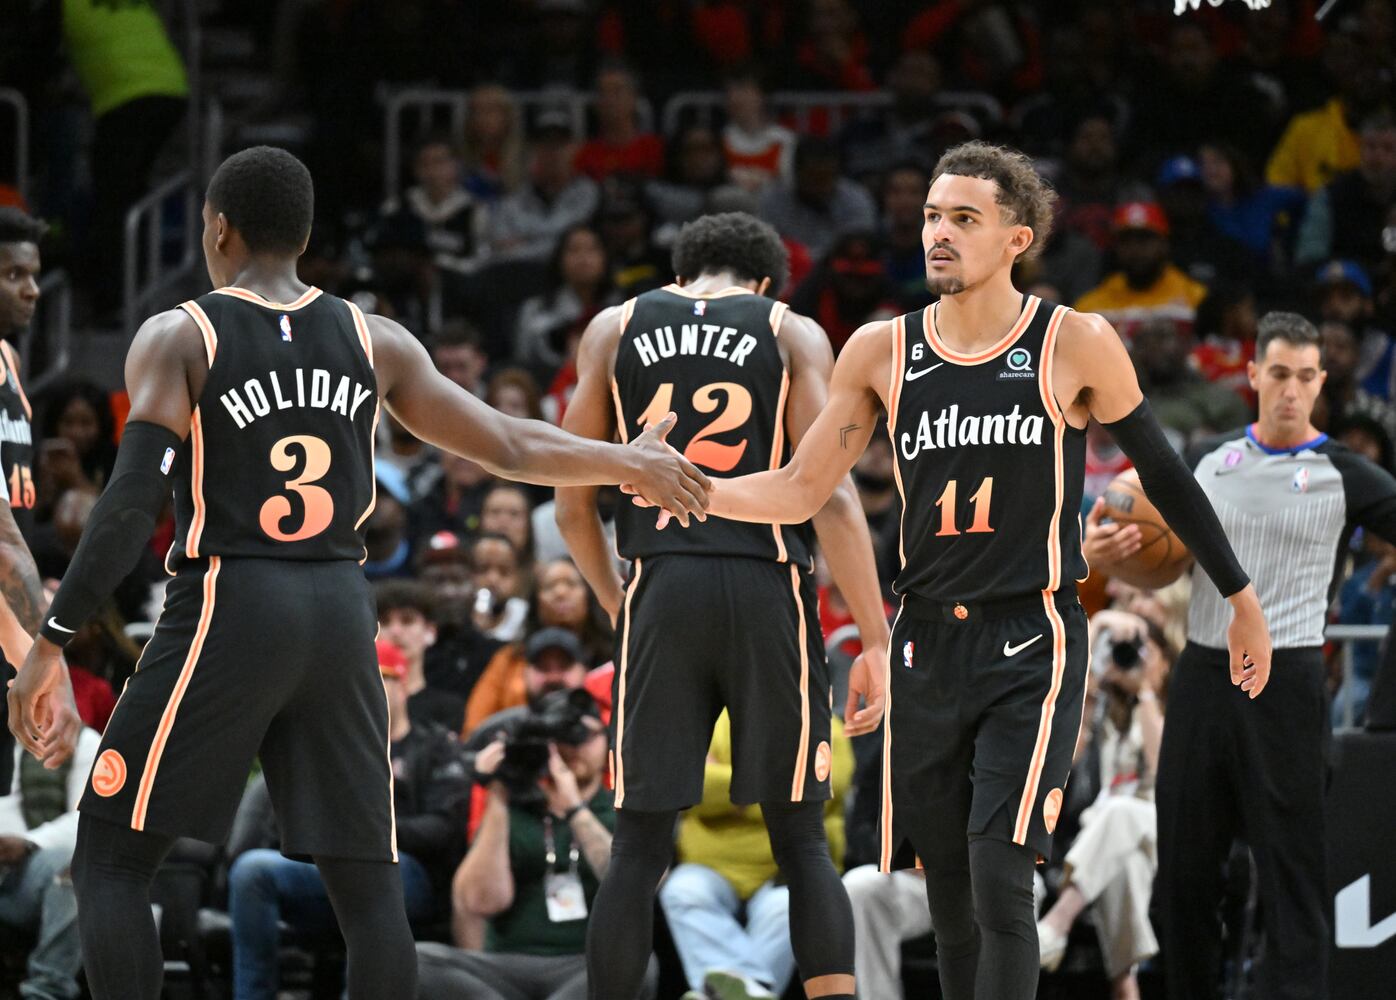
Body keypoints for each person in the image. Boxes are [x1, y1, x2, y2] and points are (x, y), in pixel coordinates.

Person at [4, 146, 708, 1000]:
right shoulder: (375, 338)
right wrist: (627, 461)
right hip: (342, 609)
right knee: (369, 891)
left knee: (111, 859)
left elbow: (126, 507)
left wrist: (52, 639)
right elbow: (508, 442)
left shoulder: (182, 334)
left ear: (218, 230)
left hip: (233, 598)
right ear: (302, 239)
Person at [683, 141, 1271, 1000]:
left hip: (1031, 634)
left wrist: (1241, 596)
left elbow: (1169, 477)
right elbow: (804, 487)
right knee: (949, 896)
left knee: (1001, 875)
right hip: (925, 640)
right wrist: (688, 488)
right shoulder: (879, 350)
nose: (940, 233)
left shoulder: (1073, 341)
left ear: (1016, 239)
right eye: (932, 216)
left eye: (964, 218)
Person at [557, 211, 891, 1000]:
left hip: (661, 582)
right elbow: (833, 498)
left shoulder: (613, 327)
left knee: (638, 844)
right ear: (766, 281)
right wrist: (874, 641)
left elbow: (573, 505)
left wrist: (618, 602)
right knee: (801, 841)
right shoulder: (790, 330)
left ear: (680, 274)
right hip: (765, 583)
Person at [1091, 312, 1396, 1000]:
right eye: (1278, 373)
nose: (1291, 390)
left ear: (1321, 382)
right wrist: (1102, 549)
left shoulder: (1346, 472)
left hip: (1288, 680)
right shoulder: (1204, 457)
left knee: (1291, 877)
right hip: (1201, 675)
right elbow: (1140, 545)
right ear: (1253, 373)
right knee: (1182, 879)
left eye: (1305, 377)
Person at [227, 639, 469, 1000]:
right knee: (252, 871)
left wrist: (368, 835)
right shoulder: (324, 747)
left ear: (402, 685)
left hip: (406, 871)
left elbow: (443, 829)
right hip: (327, 867)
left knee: (374, 870)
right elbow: (284, 826)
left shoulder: (434, 747)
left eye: (380, 678)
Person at [415, 688, 658, 999]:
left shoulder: (621, 811)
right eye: (561, 739)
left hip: (586, 966)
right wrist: (499, 794)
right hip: (507, 967)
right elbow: (479, 902)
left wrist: (575, 811)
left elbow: (635, 887)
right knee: (419, 959)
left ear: (607, 740)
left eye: (584, 735)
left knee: (640, 965)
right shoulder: (512, 812)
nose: (573, 748)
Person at [659, 710, 854, 1000]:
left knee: (789, 905)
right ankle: (753, 989)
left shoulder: (820, 720)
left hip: (785, 871)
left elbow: (820, 789)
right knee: (682, 890)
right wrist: (772, 783)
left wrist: (728, 786)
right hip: (711, 866)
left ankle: (719, 995)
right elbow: (686, 785)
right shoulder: (708, 717)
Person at [0, 207, 54, 795]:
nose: (33, 289)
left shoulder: (10, 363)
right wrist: (47, 659)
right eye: (14, 274)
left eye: (34, 274)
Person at [0, 721, 99, 1000]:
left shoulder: (85, 742)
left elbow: (88, 821)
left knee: (70, 868)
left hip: (29, 874)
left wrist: (29, 842)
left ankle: (46, 991)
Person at [377, 579, 465, 733]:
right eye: (385, 622)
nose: (395, 632)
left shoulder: (448, 708)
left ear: (430, 632)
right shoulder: (361, 704)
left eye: (407, 621)